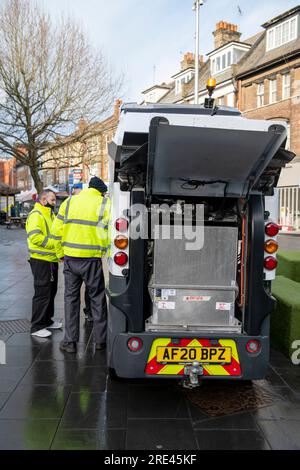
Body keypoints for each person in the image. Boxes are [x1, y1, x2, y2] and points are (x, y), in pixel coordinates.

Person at [52, 177, 110, 353]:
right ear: (101, 191)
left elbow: (56, 230)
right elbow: (111, 231)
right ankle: (100, 341)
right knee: (97, 298)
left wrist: (59, 253)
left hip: (70, 259)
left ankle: (70, 342)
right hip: (92, 260)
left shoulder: (70, 201)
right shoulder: (104, 203)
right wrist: (105, 250)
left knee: (71, 299)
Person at [26, 189, 63, 338]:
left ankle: (47, 320)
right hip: (41, 260)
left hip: (51, 260)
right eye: (52, 200)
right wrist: (54, 244)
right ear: (43, 200)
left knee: (51, 292)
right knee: (42, 293)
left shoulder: (50, 215)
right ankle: (37, 326)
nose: (54, 203)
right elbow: (34, 237)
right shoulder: (36, 215)